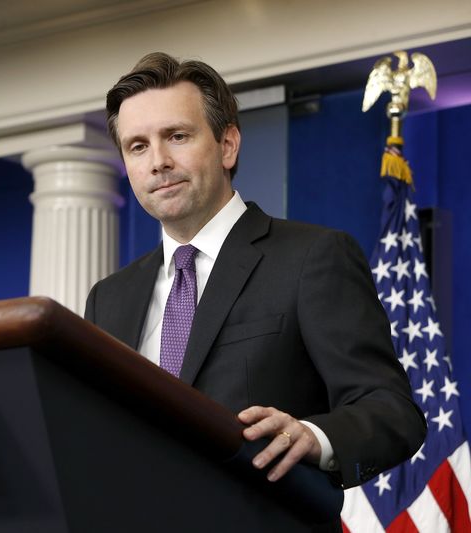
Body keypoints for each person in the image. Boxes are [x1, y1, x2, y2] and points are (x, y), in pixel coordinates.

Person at [85, 52, 425, 491]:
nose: (158, 161)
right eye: (138, 146)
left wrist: (315, 437)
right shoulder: (108, 298)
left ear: (227, 145)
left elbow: (392, 410)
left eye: (177, 136)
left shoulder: (313, 257)